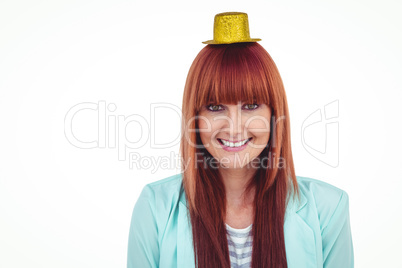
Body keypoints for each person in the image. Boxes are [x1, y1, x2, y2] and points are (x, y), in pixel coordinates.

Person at [127, 12, 354, 268]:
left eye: (251, 105)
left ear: (273, 115)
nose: (234, 127)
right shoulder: (154, 208)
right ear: (195, 118)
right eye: (214, 107)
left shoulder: (329, 209)